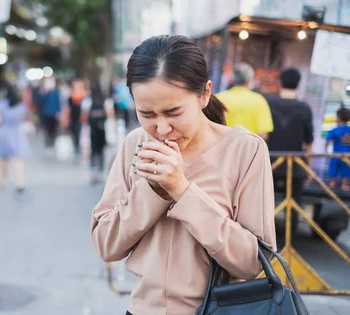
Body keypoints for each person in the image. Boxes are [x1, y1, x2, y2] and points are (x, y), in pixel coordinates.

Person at [90, 35, 276, 315]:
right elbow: (106, 244)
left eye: (173, 112)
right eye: (147, 114)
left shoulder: (245, 150)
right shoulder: (134, 145)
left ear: (205, 94)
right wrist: (152, 190)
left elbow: (252, 263)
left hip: (215, 310)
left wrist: (182, 191)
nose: (161, 128)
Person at [266, 68, 314, 242]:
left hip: (269, 163)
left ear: (279, 82)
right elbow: (308, 141)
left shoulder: (268, 103)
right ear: (299, 84)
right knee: (293, 207)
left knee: (263, 203)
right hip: (295, 166)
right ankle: (288, 243)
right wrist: (307, 167)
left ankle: (263, 241)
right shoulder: (304, 108)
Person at [217, 62, 274, 140]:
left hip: (223, 148)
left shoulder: (219, 98)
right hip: (248, 149)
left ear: (232, 79)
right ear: (249, 80)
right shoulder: (259, 101)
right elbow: (263, 134)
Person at [0, 83, 30, 192]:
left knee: (4, 159)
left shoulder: (2, 105)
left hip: (4, 132)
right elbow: (24, 117)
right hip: (16, 133)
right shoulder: (20, 105)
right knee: (18, 159)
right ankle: (21, 182)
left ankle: (4, 180)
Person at [83, 81, 110, 184]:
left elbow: (84, 117)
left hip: (92, 131)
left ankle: (94, 171)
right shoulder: (106, 101)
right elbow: (110, 115)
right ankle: (101, 172)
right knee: (101, 151)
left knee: (93, 152)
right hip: (103, 130)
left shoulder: (87, 101)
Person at [326, 107, 350, 191]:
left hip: (335, 154)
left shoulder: (334, 130)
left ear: (338, 118)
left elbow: (327, 140)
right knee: (346, 169)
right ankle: (344, 185)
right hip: (347, 154)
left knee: (333, 168)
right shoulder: (349, 129)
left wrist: (325, 150)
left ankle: (332, 183)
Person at [38, 75, 62, 156]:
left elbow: (58, 102)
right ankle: (47, 145)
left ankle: (52, 145)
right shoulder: (44, 92)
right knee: (46, 130)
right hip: (45, 114)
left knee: (53, 130)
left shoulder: (55, 92)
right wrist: (45, 92)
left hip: (53, 114)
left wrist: (59, 112)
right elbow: (40, 102)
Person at [65, 78, 87, 162]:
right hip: (73, 119)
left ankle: (80, 151)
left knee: (81, 136)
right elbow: (68, 109)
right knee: (75, 136)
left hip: (82, 120)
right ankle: (76, 152)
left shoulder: (84, 96)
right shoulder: (71, 96)